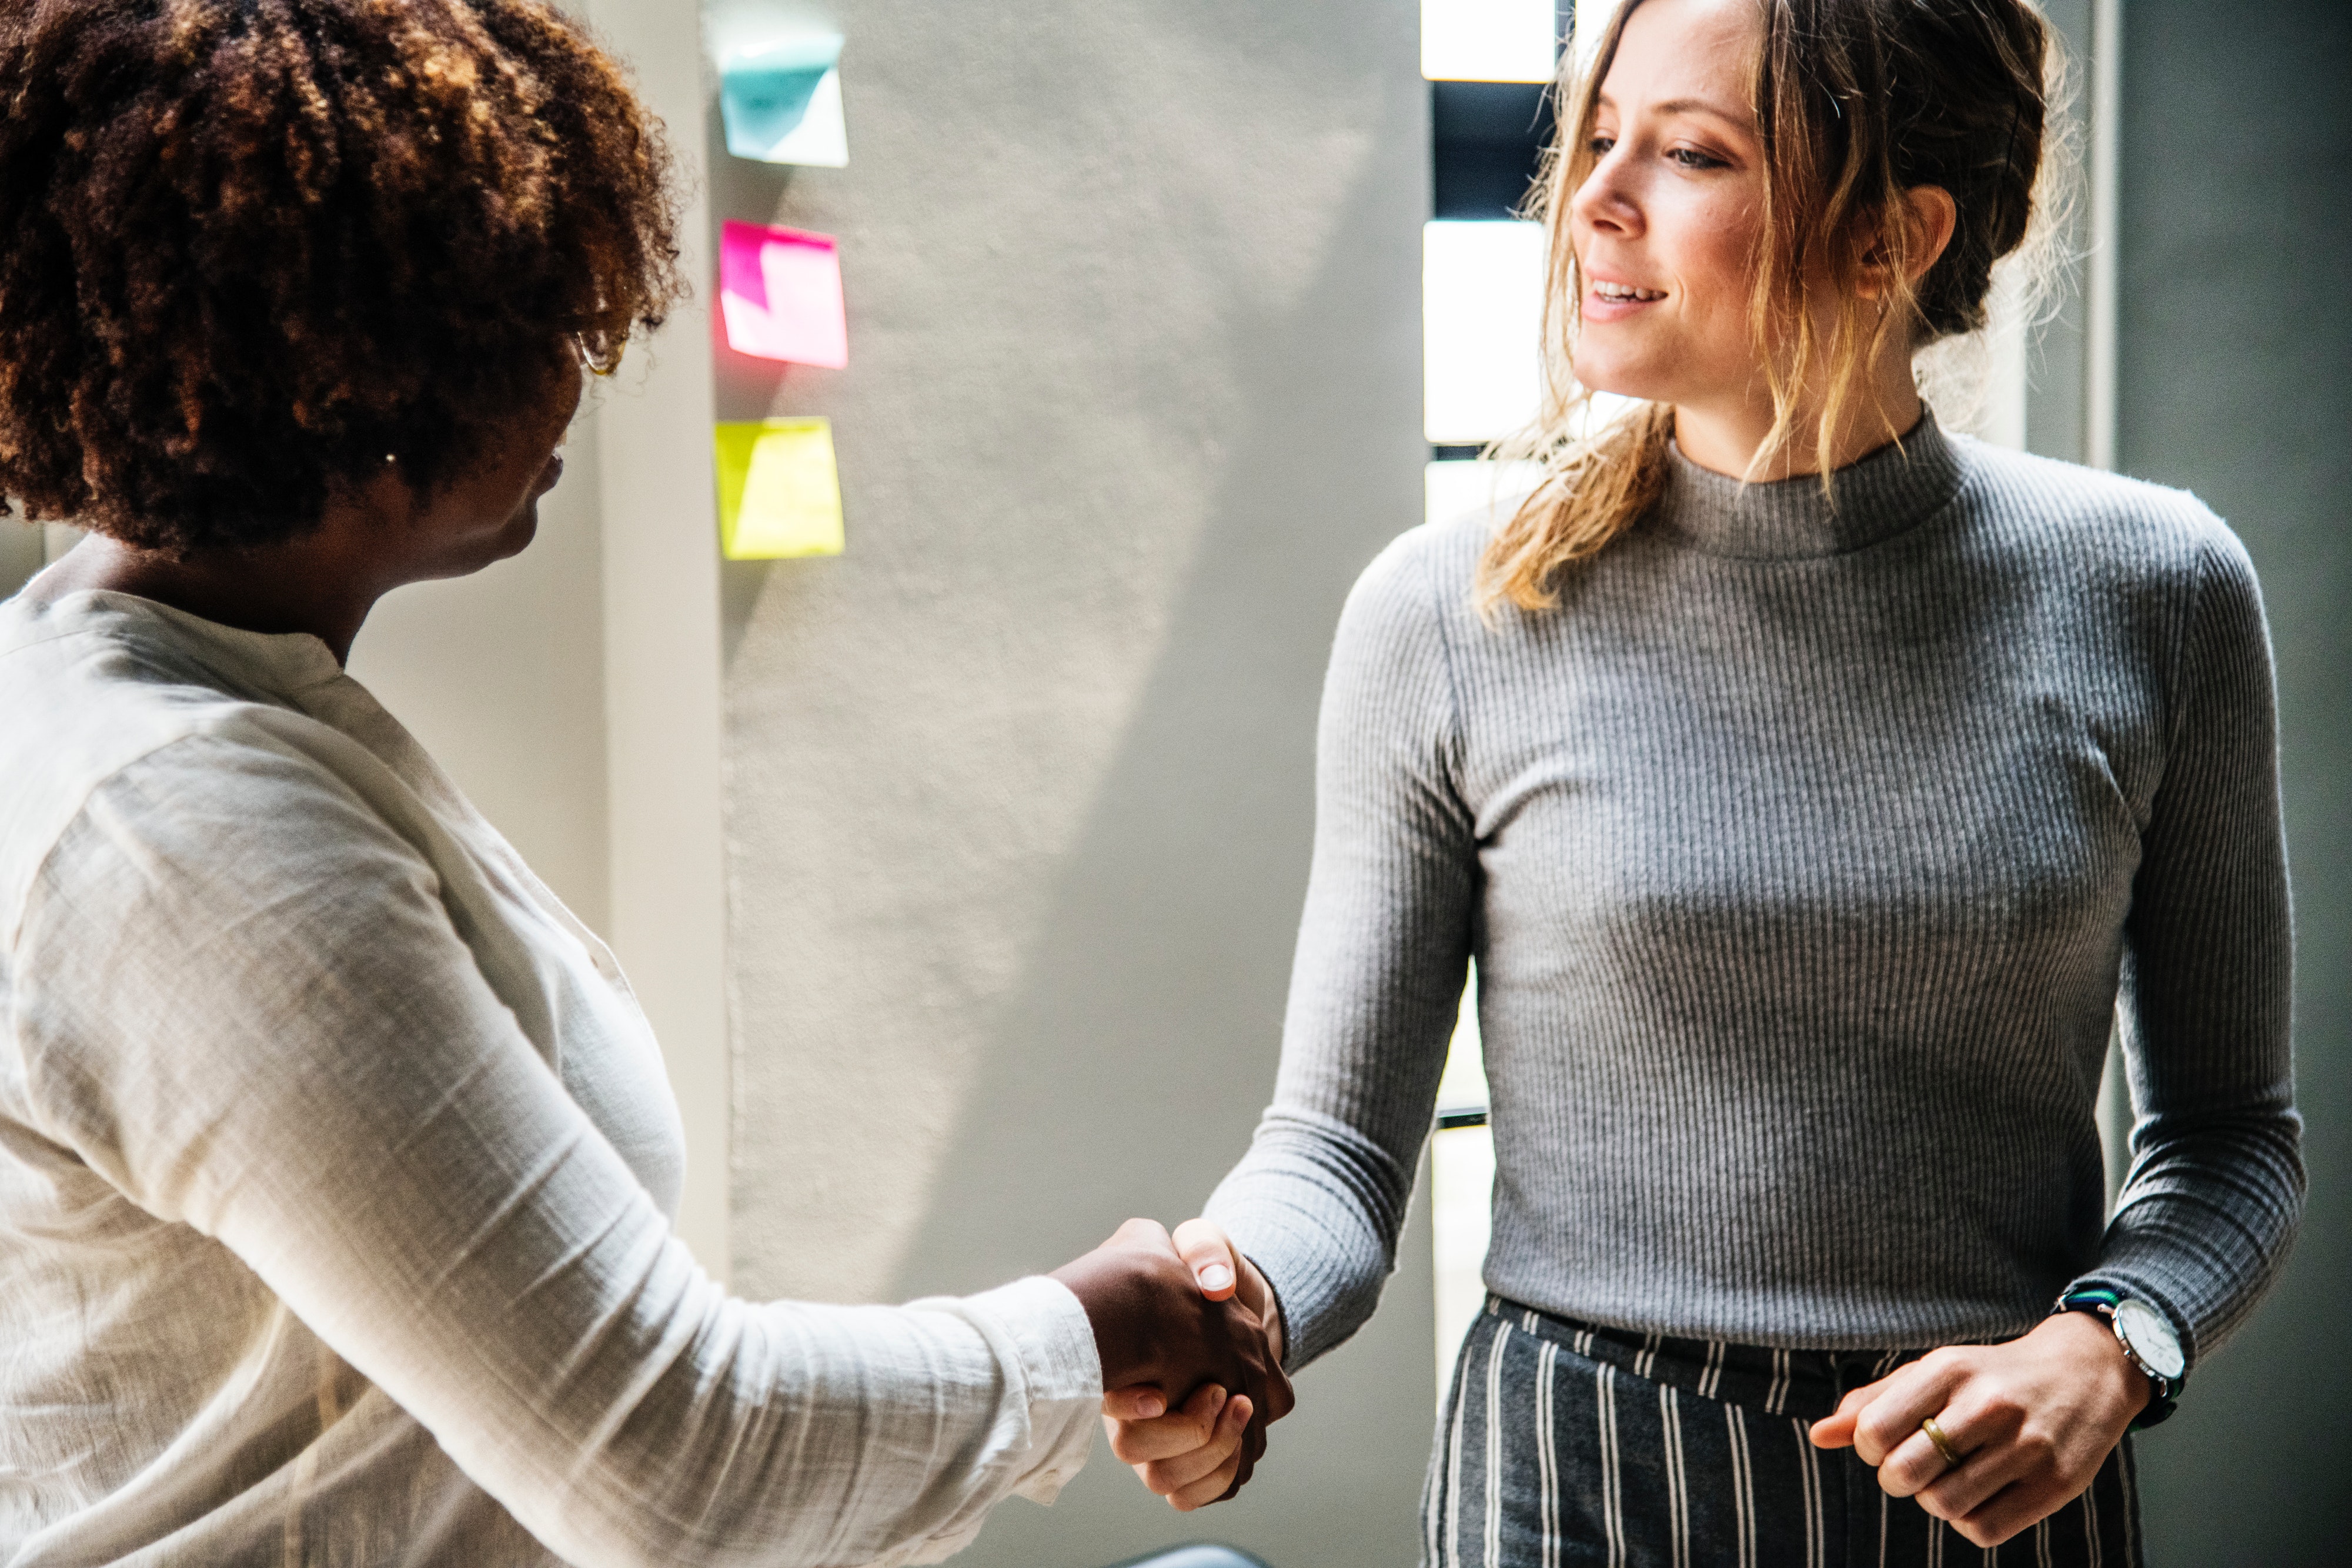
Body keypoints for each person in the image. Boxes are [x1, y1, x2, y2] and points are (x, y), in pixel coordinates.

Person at [0, 3, 1285, 1563]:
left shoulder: (113, 686)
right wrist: (1100, 1321)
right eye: (529, 325)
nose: (582, 370)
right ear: (371, 385)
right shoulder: (196, 848)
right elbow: (678, 1470)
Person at [1107, 0, 2303, 1560]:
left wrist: (2111, 1343)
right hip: (1568, 1487)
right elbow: (1335, 1153)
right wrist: (1236, 1305)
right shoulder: (1448, 608)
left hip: (1993, 1504)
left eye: (1689, 153)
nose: (1594, 198)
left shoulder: (2159, 588)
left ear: (1892, 237)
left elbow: (2228, 1138)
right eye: (1599, 137)